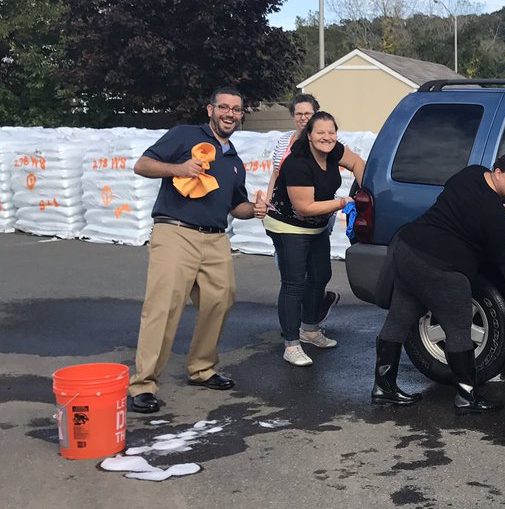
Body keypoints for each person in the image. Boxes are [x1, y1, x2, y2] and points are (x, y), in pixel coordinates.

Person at [126, 86, 268, 414]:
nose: (230, 114)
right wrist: (178, 169)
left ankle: (202, 368)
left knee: (221, 299)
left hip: (215, 238)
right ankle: (143, 383)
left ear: (241, 115)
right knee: (163, 307)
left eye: (236, 109)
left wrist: (255, 209)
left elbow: (236, 206)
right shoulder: (185, 135)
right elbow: (142, 165)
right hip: (176, 231)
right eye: (224, 107)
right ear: (210, 110)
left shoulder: (234, 161)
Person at [372, 153, 505, 413]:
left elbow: (460, 195)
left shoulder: (472, 173)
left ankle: (383, 389)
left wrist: (494, 206)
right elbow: (501, 257)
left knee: (399, 318)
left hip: (407, 249)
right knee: (459, 328)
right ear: (498, 173)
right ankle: (466, 397)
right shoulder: (495, 214)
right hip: (440, 267)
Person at [264, 111, 366, 365]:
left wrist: (367, 192)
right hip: (288, 226)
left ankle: (309, 329)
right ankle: (291, 344)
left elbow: (357, 163)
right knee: (294, 283)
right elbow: (305, 207)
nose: (327, 137)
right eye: (320, 132)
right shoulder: (297, 164)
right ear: (309, 135)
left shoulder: (334, 151)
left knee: (321, 275)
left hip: (316, 227)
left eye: (331, 132)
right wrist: (343, 202)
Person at [267, 93, 340, 325]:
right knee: (294, 277)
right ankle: (293, 326)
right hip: (288, 220)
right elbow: (276, 175)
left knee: (317, 273)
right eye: (298, 114)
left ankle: (310, 318)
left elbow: (351, 161)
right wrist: (267, 203)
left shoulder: (326, 142)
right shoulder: (285, 143)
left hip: (318, 216)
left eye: (307, 113)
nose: (303, 118)